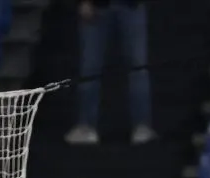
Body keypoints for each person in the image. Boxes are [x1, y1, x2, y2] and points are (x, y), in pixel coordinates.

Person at [66, 0, 155, 146]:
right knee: (91, 67)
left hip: (128, 5)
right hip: (100, 6)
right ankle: (87, 126)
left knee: (137, 67)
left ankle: (142, 126)